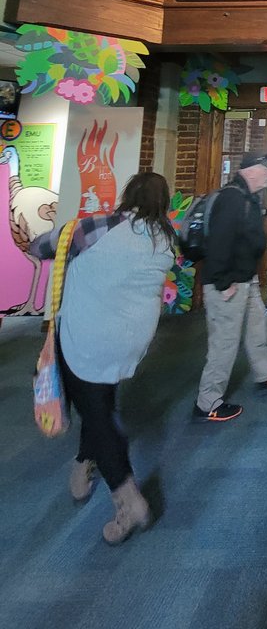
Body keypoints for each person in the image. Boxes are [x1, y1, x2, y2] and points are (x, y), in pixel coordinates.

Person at [30, 171, 176, 545]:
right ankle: (82, 465)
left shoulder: (96, 227)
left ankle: (127, 499)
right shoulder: (165, 241)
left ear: (129, 195)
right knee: (99, 399)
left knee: (97, 414)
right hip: (128, 344)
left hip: (86, 339)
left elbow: (40, 247)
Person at [193, 151, 267, 423]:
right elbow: (219, 242)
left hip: (245, 279)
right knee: (224, 342)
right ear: (250, 170)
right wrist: (222, 281)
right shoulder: (231, 199)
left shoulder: (245, 198)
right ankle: (208, 402)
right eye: (266, 169)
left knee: (256, 327)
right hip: (228, 283)